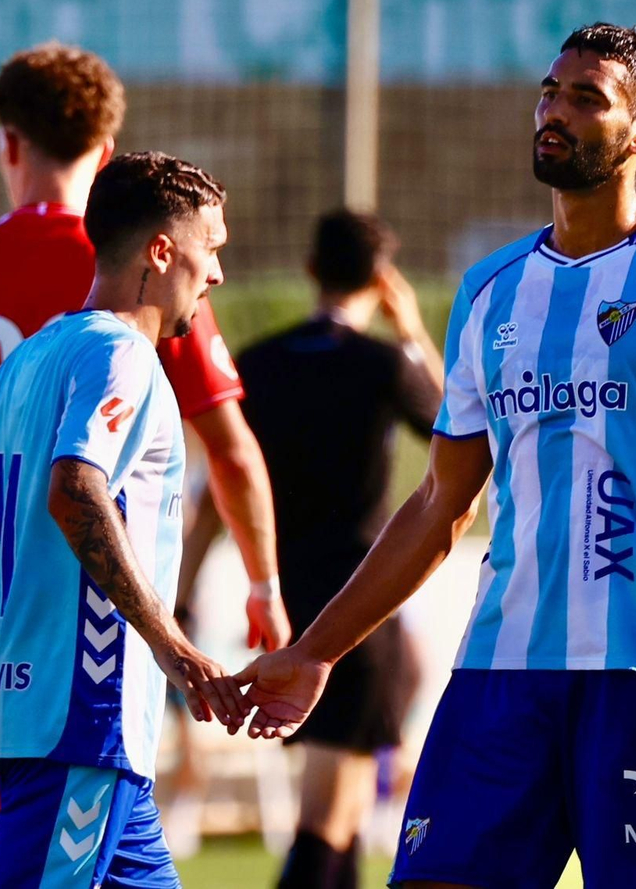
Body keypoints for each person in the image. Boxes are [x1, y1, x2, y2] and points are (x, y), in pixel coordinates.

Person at [238, 23, 636, 889]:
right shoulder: (491, 290)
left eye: (587, 97)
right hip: (499, 673)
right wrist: (316, 651)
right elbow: (438, 506)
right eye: (550, 91)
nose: (554, 111)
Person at [0, 42, 289, 833]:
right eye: (211, 256)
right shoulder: (136, 321)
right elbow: (228, 451)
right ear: (106, 154)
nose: (214, 274)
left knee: (67, 845)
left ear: (8, 143)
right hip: (87, 671)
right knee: (45, 851)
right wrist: (259, 590)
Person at [0, 152, 251, 887]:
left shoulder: (29, 358)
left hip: (42, 717)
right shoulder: (124, 358)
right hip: (83, 712)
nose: (217, 275)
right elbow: (76, 490)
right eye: (212, 250)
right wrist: (172, 643)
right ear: (162, 251)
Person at [234, 211, 445, 889]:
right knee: (327, 812)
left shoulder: (257, 364)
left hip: (292, 591)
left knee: (345, 806)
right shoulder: (382, 364)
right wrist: (411, 330)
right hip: (360, 598)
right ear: (383, 280)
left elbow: (223, 480)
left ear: (309, 269)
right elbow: (461, 434)